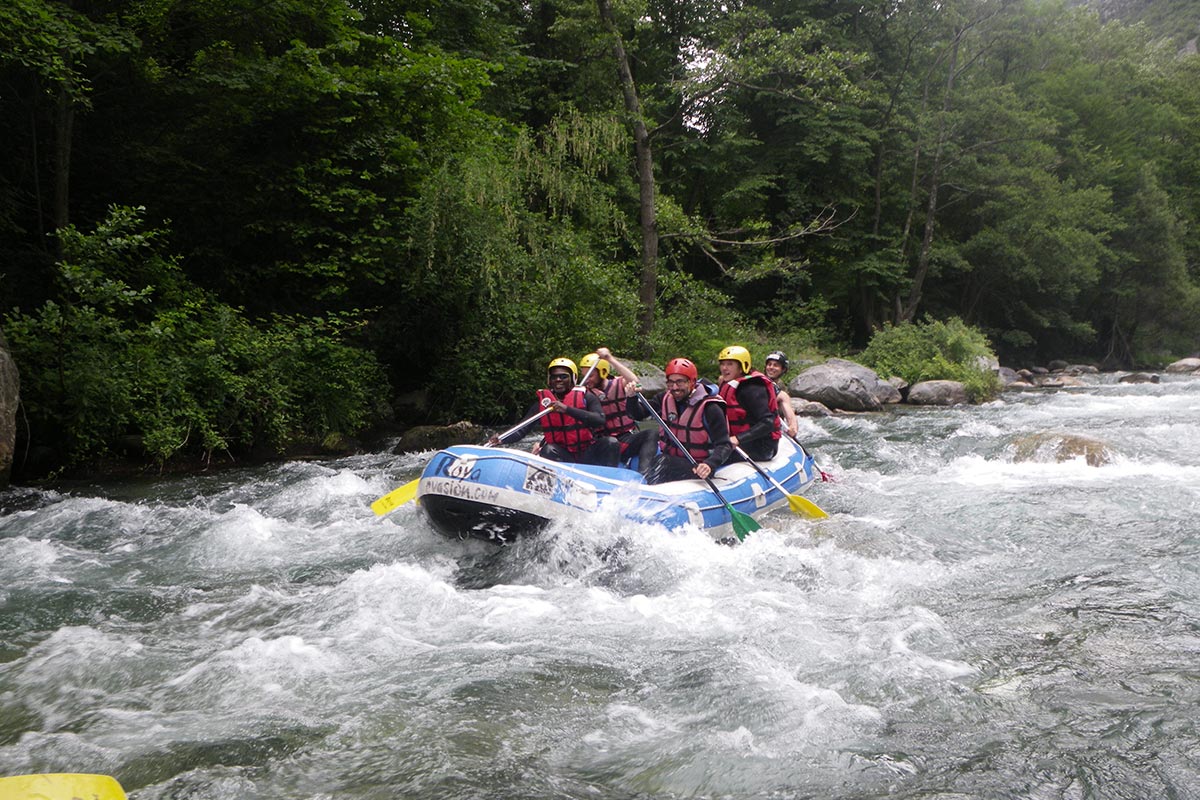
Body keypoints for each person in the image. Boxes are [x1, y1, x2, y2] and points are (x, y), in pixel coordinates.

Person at [489, 357, 620, 466]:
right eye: (554, 377)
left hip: (588, 453)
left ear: (573, 379)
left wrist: (567, 409)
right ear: (549, 380)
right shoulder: (543, 404)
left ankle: (612, 482)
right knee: (548, 449)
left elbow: (599, 420)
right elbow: (522, 429)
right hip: (563, 456)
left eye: (563, 376)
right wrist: (501, 439)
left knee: (611, 443)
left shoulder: (587, 397)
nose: (558, 380)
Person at [628, 357, 731, 484]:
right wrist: (631, 398)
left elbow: (725, 444)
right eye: (670, 382)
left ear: (692, 382)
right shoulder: (664, 398)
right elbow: (637, 415)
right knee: (660, 460)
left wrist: (710, 464)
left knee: (663, 462)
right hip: (673, 460)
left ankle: (648, 489)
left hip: (698, 467)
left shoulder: (711, 408)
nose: (675, 387)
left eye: (680, 382)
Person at [581, 348, 655, 468]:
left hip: (625, 438)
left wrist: (609, 358)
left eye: (590, 376)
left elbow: (636, 383)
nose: (587, 380)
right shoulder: (584, 393)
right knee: (611, 442)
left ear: (603, 372)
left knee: (651, 433)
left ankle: (644, 474)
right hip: (603, 442)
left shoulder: (619, 384)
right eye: (584, 376)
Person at [716, 345, 780, 461]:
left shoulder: (752, 388)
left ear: (742, 367)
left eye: (730, 364)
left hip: (761, 447)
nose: (724, 368)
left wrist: (738, 439)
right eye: (722, 364)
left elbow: (768, 422)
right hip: (740, 442)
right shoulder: (729, 383)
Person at [763, 350, 799, 439]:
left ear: (783, 369)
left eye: (775, 365)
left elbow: (789, 412)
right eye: (769, 364)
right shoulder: (755, 382)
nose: (771, 367)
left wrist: (792, 427)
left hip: (771, 431)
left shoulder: (781, 392)